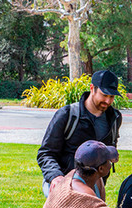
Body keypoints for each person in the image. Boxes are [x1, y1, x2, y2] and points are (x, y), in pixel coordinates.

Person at [37, 70, 123, 198]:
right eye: (104, 95)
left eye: (112, 97)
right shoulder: (67, 115)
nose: (108, 101)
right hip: (62, 181)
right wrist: (55, 176)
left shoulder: (114, 118)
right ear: (92, 88)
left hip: (94, 185)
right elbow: (46, 153)